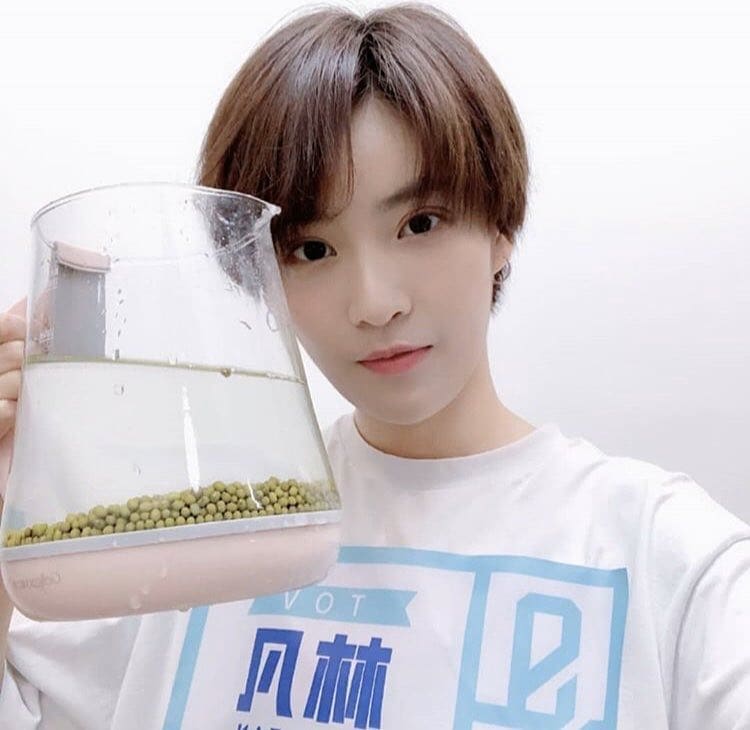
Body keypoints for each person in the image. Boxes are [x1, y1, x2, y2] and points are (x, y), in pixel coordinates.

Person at [1, 4, 749, 728]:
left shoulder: (670, 562)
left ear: (500, 228)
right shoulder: (192, 547)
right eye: (312, 250)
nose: (375, 303)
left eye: (419, 224)